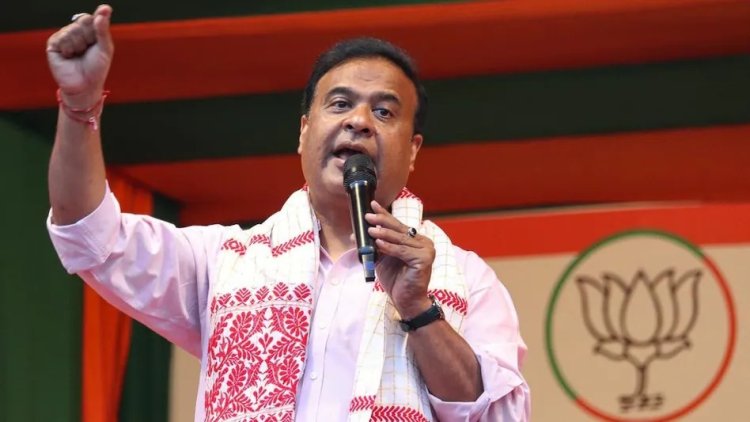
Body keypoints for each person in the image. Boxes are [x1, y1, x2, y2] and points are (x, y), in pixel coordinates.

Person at [45, 4, 530, 421]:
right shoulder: (225, 262)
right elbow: (89, 233)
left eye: (384, 112)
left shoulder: (465, 278)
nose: (359, 121)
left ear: (414, 149)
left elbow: (495, 413)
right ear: (303, 131)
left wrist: (419, 309)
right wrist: (78, 106)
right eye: (340, 104)